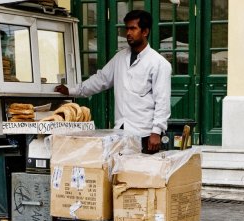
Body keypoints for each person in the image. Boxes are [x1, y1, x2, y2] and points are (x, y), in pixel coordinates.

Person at [54, 9, 171, 154]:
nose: (128, 33)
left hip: (145, 134)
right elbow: (100, 80)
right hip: (121, 131)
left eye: (133, 28)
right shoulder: (120, 58)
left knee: (143, 174)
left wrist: (157, 131)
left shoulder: (159, 63)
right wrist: (72, 90)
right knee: (121, 174)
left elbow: (162, 100)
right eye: (127, 28)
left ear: (145, 31)